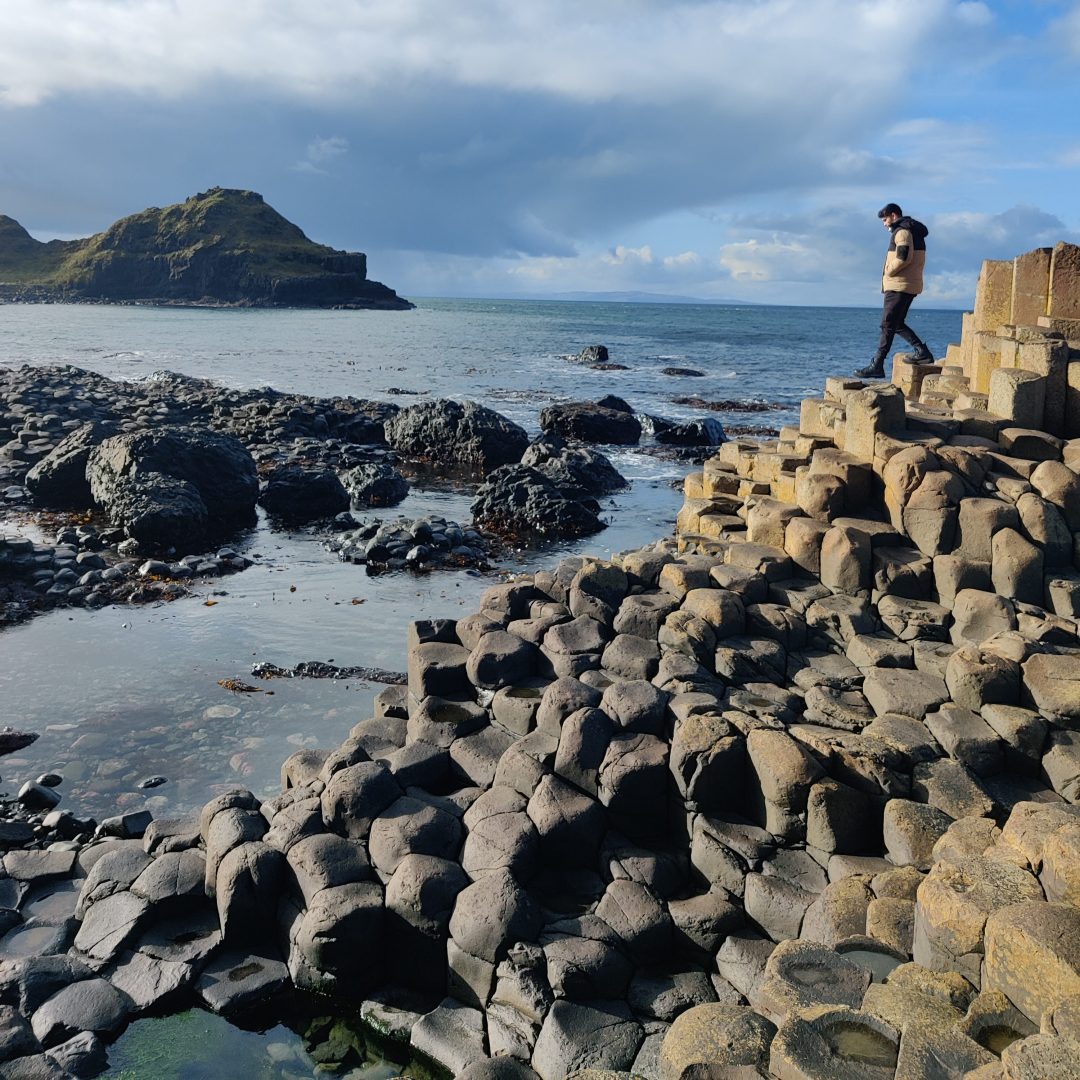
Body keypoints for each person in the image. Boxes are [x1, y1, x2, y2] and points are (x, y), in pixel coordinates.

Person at [855, 202, 933, 379]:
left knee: (887, 324)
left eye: (885, 219)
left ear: (893, 215)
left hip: (899, 284)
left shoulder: (903, 231)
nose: (884, 224)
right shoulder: (912, 230)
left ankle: (877, 364)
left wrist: (889, 270)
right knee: (895, 324)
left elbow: (904, 257)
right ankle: (921, 351)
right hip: (908, 283)